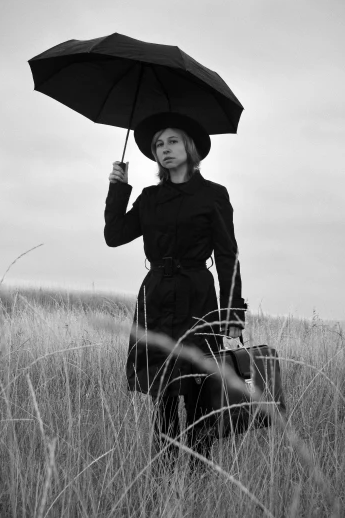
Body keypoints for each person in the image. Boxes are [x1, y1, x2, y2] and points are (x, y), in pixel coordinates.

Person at [104, 112, 247, 472]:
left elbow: (227, 256)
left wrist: (232, 315)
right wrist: (118, 188)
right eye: (158, 144)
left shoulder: (214, 195)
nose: (164, 149)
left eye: (172, 141)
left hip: (198, 297)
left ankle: (198, 480)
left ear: (190, 147)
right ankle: (163, 484)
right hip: (155, 298)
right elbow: (114, 234)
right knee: (163, 394)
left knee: (199, 392)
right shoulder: (151, 197)